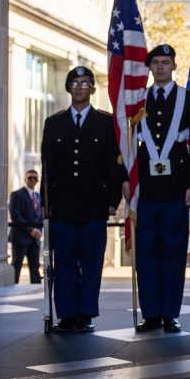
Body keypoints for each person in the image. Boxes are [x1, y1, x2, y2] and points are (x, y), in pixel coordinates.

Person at [41, 66, 126, 332]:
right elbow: (47, 169)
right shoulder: (54, 123)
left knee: (90, 263)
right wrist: (46, 204)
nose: (80, 87)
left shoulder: (105, 122)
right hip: (62, 208)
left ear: (92, 88)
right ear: (68, 88)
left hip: (94, 206)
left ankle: (86, 314)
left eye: (85, 83)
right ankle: (67, 315)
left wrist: (113, 200)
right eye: (75, 83)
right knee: (64, 263)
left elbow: (114, 165)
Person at [134, 44, 190, 333]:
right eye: (155, 63)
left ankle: (169, 313)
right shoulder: (137, 100)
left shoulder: (189, 98)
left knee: (174, 253)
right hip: (147, 191)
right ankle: (150, 313)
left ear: (174, 66)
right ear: (149, 68)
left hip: (177, 190)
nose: (160, 67)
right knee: (147, 254)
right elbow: (128, 144)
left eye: (165, 62)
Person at [8, 170, 43, 284]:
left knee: (35, 266)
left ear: (37, 180)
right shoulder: (17, 195)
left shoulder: (37, 196)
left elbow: (40, 216)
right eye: (30, 178)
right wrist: (30, 230)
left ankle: (36, 289)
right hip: (20, 237)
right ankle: (12, 288)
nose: (32, 180)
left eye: (35, 178)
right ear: (25, 179)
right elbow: (15, 215)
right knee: (17, 265)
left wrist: (38, 231)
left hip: (35, 238)